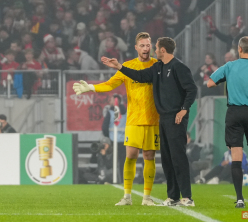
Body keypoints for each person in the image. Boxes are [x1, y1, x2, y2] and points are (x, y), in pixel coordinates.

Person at [100, 37, 198, 206]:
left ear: (163, 50)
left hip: (176, 117)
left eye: (156, 47)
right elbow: (139, 75)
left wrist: (184, 109)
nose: (153, 50)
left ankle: (187, 197)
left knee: (178, 157)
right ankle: (173, 197)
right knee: (167, 159)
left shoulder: (179, 67)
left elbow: (192, 89)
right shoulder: (158, 67)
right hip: (163, 118)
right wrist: (120, 67)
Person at [73, 32, 160, 206]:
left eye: (148, 45)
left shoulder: (158, 66)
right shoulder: (128, 66)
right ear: (136, 48)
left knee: (149, 156)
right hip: (134, 119)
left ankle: (147, 197)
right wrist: (90, 87)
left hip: (153, 119)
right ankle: (127, 196)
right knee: (130, 156)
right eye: (142, 45)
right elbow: (110, 84)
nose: (145, 48)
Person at [207, 36, 248, 208]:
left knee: (236, 155)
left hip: (234, 112)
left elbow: (210, 83)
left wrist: (228, 81)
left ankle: (240, 198)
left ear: (239, 49)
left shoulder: (229, 66)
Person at [102, 94, 127, 183]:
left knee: (112, 161)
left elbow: (105, 127)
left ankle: (113, 179)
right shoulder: (125, 111)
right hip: (124, 140)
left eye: (112, 100)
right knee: (123, 162)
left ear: (116, 101)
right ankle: (123, 180)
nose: (110, 102)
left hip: (113, 139)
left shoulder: (111, 112)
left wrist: (107, 137)